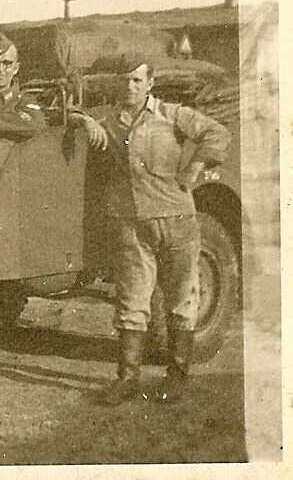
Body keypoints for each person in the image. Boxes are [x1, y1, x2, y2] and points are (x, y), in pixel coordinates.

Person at [69, 54, 230, 405]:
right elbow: (69, 115)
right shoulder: (109, 120)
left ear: (150, 84)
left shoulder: (171, 115)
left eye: (137, 81)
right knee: (131, 300)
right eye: (125, 80)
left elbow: (217, 133)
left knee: (180, 299)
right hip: (131, 225)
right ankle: (127, 378)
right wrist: (84, 119)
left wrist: (194, 170)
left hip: (176, 220)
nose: (130, 87)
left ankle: (176, 376)